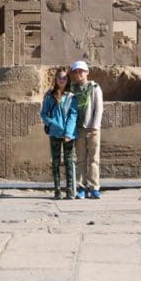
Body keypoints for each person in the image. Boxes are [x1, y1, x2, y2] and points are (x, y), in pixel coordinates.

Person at [40, 67, 78, 200]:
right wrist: (52, 123)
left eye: (64, 77)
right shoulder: (50, 96)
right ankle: (57, 189)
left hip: (68, 134)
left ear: (67, 80)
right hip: (55, 133)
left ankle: (69, 189)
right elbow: (43, 114)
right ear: (55, 79)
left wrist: (68, 132)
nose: (62, 80)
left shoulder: (71, 96)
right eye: (59, 77)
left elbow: (73, 115)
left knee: (69, 161)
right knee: (55, 161)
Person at [70, 60, 103, 199]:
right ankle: (81, 187)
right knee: (81, 159)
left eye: (81, 71)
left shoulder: (94, 87)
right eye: (76, 72)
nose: (78, 74)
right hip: (78, 128)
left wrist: (95, 126)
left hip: (92, 128)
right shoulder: (72, 89)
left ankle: (94, 187)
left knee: (94, 159)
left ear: (87, 72)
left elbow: (99, 108)